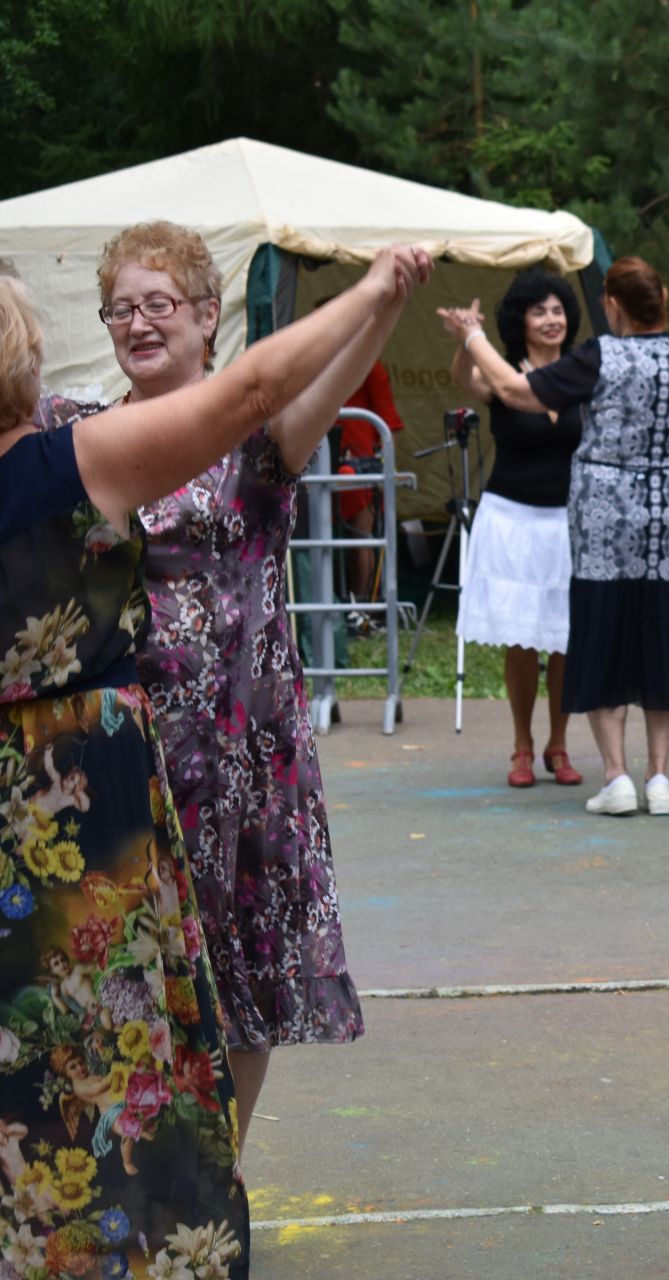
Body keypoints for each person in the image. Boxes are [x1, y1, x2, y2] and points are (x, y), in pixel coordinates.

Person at [0, 246, 430, 1279]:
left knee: (215, 975)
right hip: (117, 757)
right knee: (110, 1006)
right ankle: (151, 1210)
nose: (136, 323)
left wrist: (377, 308)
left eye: (158, 305)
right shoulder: (76, 431)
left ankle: (186, 1180)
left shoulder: (236, 444)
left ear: (206, 315)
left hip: (227, 746)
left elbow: (287, 389)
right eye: (118, 308)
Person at [442, 257, 669, 817]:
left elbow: (515, 390)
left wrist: (470, 334)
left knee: (605, 637)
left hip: (605, 528)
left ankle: (617, 776)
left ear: (612, 306)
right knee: (662, 637)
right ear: (661, 299)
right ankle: (658, 777)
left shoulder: (600, 357)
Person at [447, 270, 587, 789]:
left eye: (558, 310)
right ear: (520, 321)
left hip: (568, 521)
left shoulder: (579, 371)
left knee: (568, 639)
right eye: (539, 311)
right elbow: (466, 379)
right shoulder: (503, 371)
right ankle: (523, 746)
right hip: (511, 520)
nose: (552, 320)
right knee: (523, 642)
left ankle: (560, 744)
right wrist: (467, 340)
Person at [333, 356, 406, 611]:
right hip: (323, 456)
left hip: (359, 462)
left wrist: (383, 467)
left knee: (361, 538)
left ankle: (361, 610)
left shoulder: (370, 365)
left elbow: (390, 423)